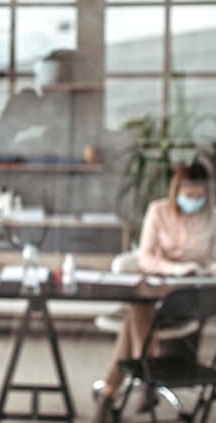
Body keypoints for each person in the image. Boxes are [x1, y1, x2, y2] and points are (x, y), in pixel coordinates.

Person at [92, 160, 216, 422]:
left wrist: (204, 268)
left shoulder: (212, 217)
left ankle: (112, 391)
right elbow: (144, 258)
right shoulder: (158, 211)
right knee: (140, 306)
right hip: (157, 290)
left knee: (133, 320)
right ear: (176, 190)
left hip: (189, 299)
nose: (194, 199)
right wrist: (173, 268)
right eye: (188, 194)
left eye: (199, 195)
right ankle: (142, 374)